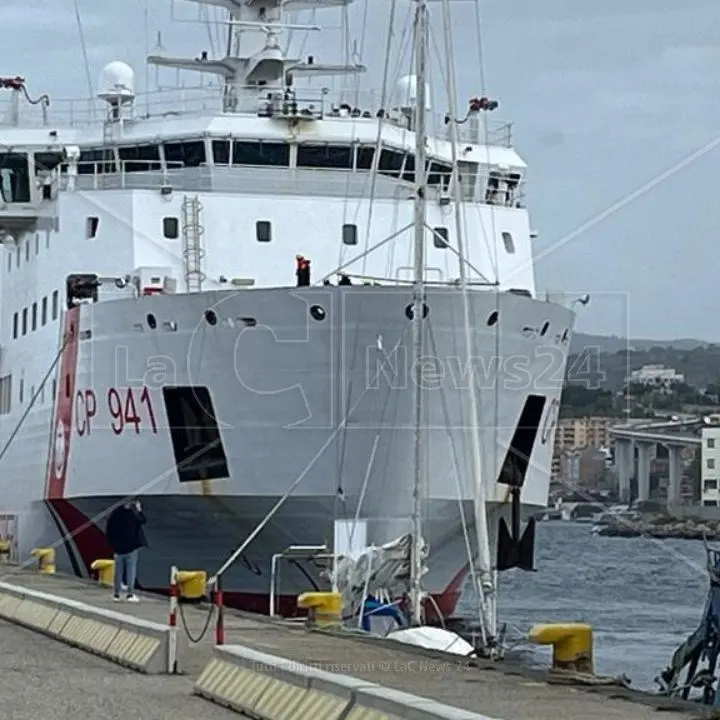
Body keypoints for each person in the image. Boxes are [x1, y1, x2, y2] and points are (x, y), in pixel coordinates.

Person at [106, 499, 148, 602]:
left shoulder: (115, 515)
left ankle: (116, 594)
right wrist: (139, 510)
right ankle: (130, 594)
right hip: (131, 549)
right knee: (131, 572)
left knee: (118, 573)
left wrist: (113, 545)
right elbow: (143, 520)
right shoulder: (132, 515)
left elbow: (109, 530)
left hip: (118, 549)